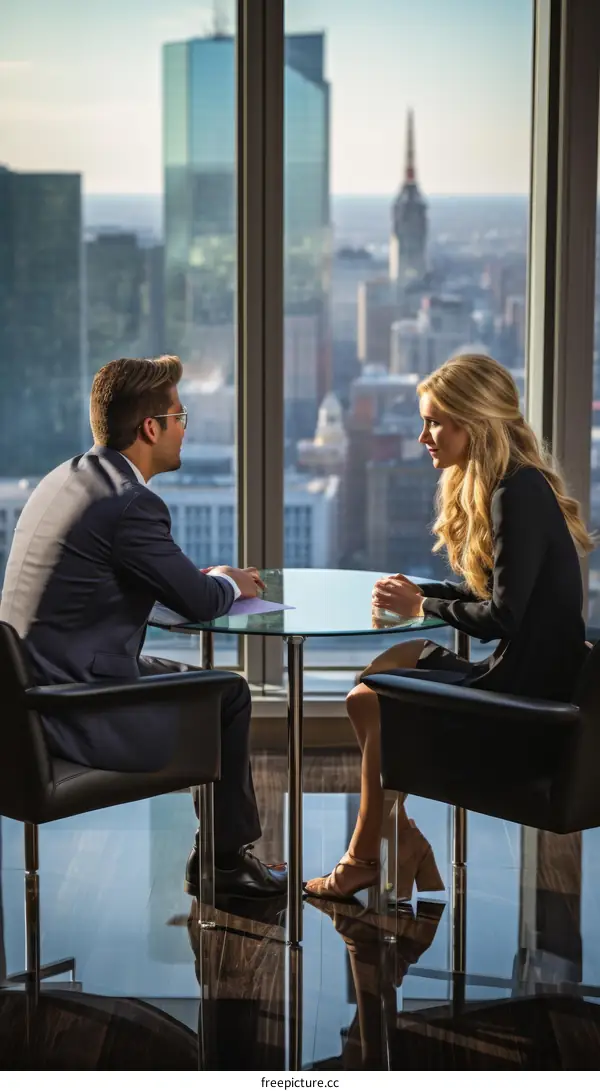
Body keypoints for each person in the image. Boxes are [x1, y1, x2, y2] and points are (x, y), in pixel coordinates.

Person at [305, 353, 594, 901]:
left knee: (370, 698)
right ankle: (397, 837)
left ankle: (364, 856)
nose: (423, 436)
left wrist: (421, 609)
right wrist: (424, 595)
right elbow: (494, 593)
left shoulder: (518, 492)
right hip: (520, 674)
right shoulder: (508, 485)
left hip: (527, 693)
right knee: (376, 681)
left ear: (474, 421)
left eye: (435, 421)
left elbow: (501, 617)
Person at [0, 355, 287, 901]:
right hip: (70, 707)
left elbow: (103, 586)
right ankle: (225, 864)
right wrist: (231, 582)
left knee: (197, 681)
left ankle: (220, 853)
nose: (183, 429)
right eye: (180, 417)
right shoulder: (131, 504)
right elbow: (202, 601)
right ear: (150, 427)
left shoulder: (64, 479)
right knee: (228, 694)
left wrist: (199, 584)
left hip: (29, 691)